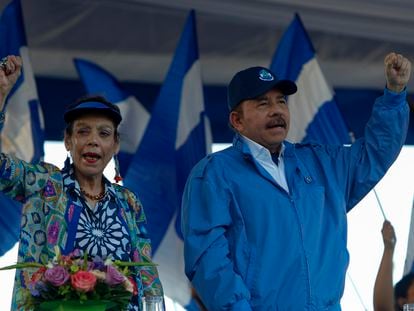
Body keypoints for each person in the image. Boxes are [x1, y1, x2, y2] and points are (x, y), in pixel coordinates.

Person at [181, 52, 411, 310]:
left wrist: (394, 94)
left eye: (281, 101)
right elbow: (207, 258)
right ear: (237, 121)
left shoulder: (321, 163)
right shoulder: (214, 173)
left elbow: (375, 153)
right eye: (262, 104)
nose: (277, 110)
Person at [0, 55, 163, 310]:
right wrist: (1, 94)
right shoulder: (46, 184)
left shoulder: (128, 202)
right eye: (83, 131)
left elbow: (147, 278)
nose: (93, 140)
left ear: (115, 145)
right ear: (67, 141)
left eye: (104, 133)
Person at [374, 220, 414, 311]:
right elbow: (382, 308)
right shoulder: (409, 308)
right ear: (403, 302)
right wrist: (389, 248)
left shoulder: (408, 307)